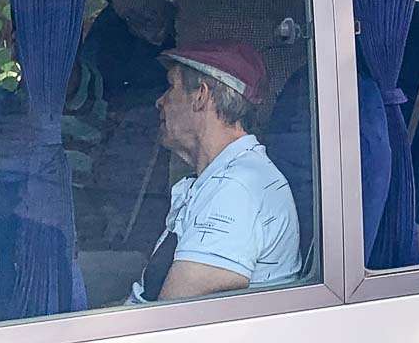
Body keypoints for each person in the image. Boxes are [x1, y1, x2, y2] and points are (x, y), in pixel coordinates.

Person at [129, 42, 301, 304]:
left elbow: (171, 316)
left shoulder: (235, 189)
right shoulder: (221, 177)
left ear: (201, 95)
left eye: (171, 87)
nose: (159, 101)